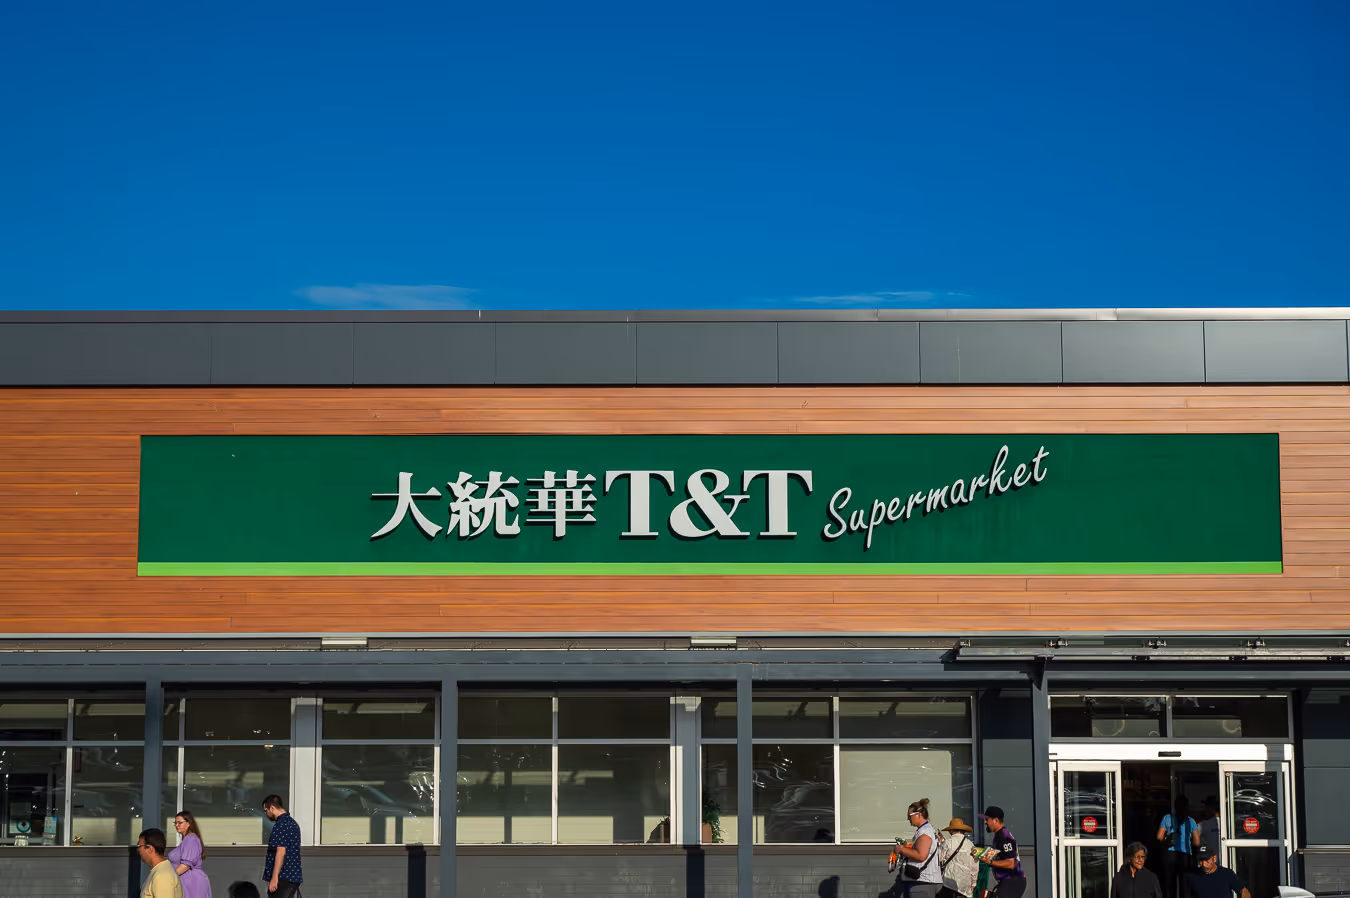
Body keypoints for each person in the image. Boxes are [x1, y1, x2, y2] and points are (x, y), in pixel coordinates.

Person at [893, 798, 944, 898]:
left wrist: (902, 849)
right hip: (927, 882)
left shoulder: (924, 832)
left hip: (923, 883)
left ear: (919, 814)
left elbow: (921, 855)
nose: (908, 819)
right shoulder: (928, 829)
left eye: (909, 816)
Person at [979, 806, 1026, 898]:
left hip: (1013, 881)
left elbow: (1010, 863)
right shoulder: (998, 836)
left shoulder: (1004, 837)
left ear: (996, 820)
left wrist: (991, 862)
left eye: (987, 819)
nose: (985, 822)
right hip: (1008, 881)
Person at [261, 794, 303, 897]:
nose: (266, 814)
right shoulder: (292, 823)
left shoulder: (281, 825)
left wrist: (274, 878)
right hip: (293, 876)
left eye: (266, 811)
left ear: (272, 808)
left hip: (283, 877)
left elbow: (280, 852)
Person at [1157, 797, 1198, 898]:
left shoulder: (1167, 818)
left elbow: (1159, 837)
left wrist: (1166, 840)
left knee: (1169, 883)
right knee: (1185, 883)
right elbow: (1197, 841)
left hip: (1170, 854)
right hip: (1185, 855)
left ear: (1175, 807)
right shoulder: (1190, 821)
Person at [169, 810, 212, 898]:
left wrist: (168, 878)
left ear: (188, 823)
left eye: (180, 823)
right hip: (187, 881)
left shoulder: (191, 839)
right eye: (175, 823)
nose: (177, 825)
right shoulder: (187, 840)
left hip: (191, 883)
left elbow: (186, 865)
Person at [1185, 844, 1250, 898]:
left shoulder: (1227, 874)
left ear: (1214, 859)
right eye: (1201, 860)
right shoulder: (1192, 876)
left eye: (1206, 860)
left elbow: (1243, 891)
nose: (1204, 864)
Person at [137, 828, 185, 898]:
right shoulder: (159, 871)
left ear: (150, 848)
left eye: (139, 846)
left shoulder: (162, 875)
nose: (138, 850)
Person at [938, 817, 980, 898]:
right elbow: (974, 867)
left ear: (951, 830)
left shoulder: (947, 843)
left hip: (948, 883)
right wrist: (973, 884)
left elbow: (939, 859)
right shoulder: (971, 845)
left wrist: (940, 843)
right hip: (964, 887)